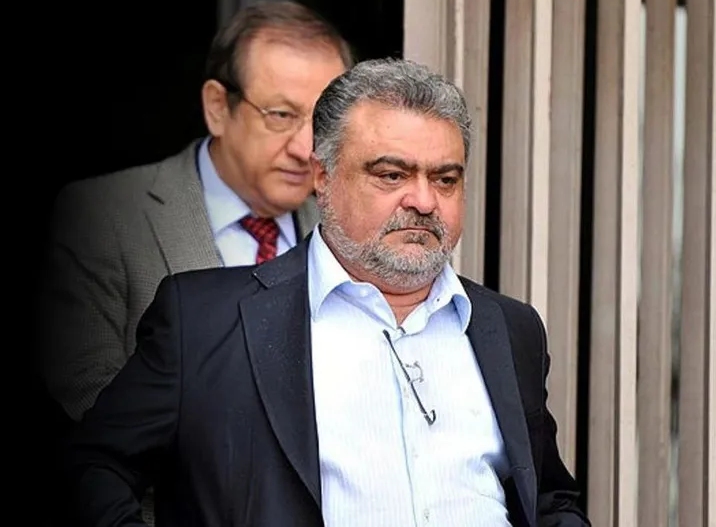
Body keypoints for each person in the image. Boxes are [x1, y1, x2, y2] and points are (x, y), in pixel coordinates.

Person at [63, 57, 590, 527]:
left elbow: (549, 499)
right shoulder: (204, 320)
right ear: (323, 176)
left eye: (446, 179)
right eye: (392, 175)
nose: (425, 201)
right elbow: (93, 465)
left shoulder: (509, 328)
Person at [37, 1, 353, 424]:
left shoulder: (345, 227)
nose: (305, 148)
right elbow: (93, 400)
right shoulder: (103, 216)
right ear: (218, 107)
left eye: (323, 122)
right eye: (281, 116)